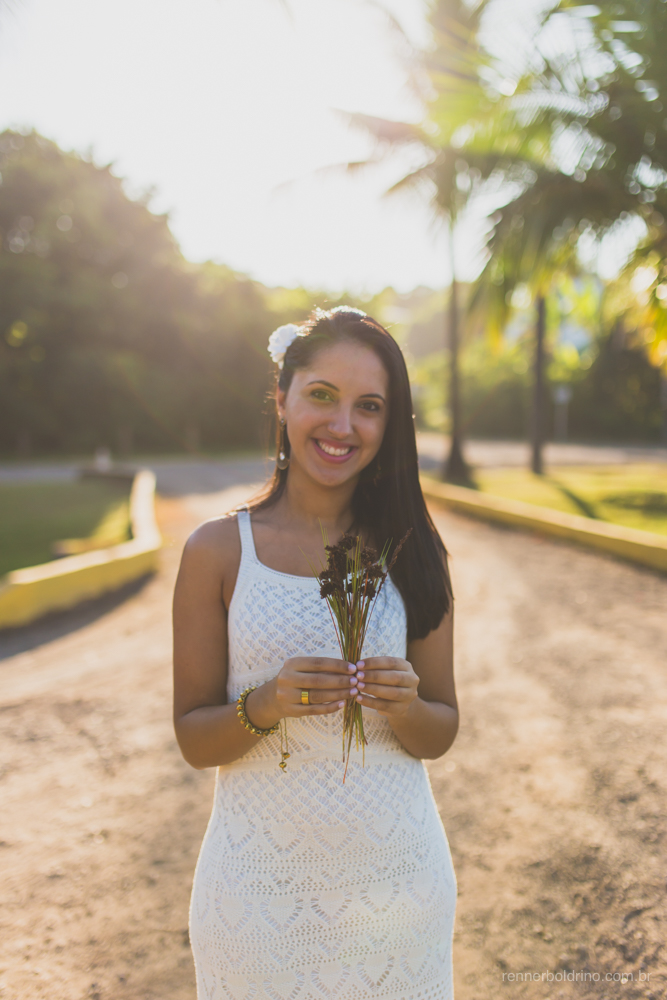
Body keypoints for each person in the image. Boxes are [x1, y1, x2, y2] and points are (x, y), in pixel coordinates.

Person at [173, 306, 459, 1000]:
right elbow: (193, 737)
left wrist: (405, 705)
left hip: (399, 897)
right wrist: (264, 704)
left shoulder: (414, 551)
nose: (341, 425)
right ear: (282, 397)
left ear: (389, 425)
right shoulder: (217, 550)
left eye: (368, 406)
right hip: (255, 903)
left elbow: (441, 727)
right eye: (321, 396)